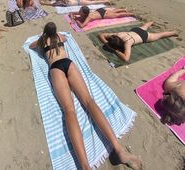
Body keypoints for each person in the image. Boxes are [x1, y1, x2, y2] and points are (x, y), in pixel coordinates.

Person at [30, 22, 142, 170]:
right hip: (69, 64)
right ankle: (119, 149)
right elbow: (65, 38)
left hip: (56, 68)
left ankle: (84, 166)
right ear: (55, 31)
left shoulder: (42, 41)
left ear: (45, 32)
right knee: (89, 101)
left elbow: (31, 46)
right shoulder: (60, 37)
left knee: (69, 110)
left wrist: (42, 38)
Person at [98, 21, 178, 62]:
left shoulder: (127, 43)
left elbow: (126, 59)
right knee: (144, 26)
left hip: (144, 36)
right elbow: (101, 35)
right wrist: (106, 42)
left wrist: (115, 50)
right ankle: (152, 21)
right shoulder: (117, 34)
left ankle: (173, 33)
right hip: (136, 30)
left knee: (160, 35)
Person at [69, 6, 135, 28]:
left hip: (102, 15)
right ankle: (124, 9)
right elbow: (71, 12)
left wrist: (76, 20)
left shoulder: (88, 17)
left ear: (84, 13)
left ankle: (130, 14)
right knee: (113, 11)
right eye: (80, 10)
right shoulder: (82, 13)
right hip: (100, 10)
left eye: (80, 11)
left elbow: (82, 26)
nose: (79, 11)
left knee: (116, 15)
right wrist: (72, 18)